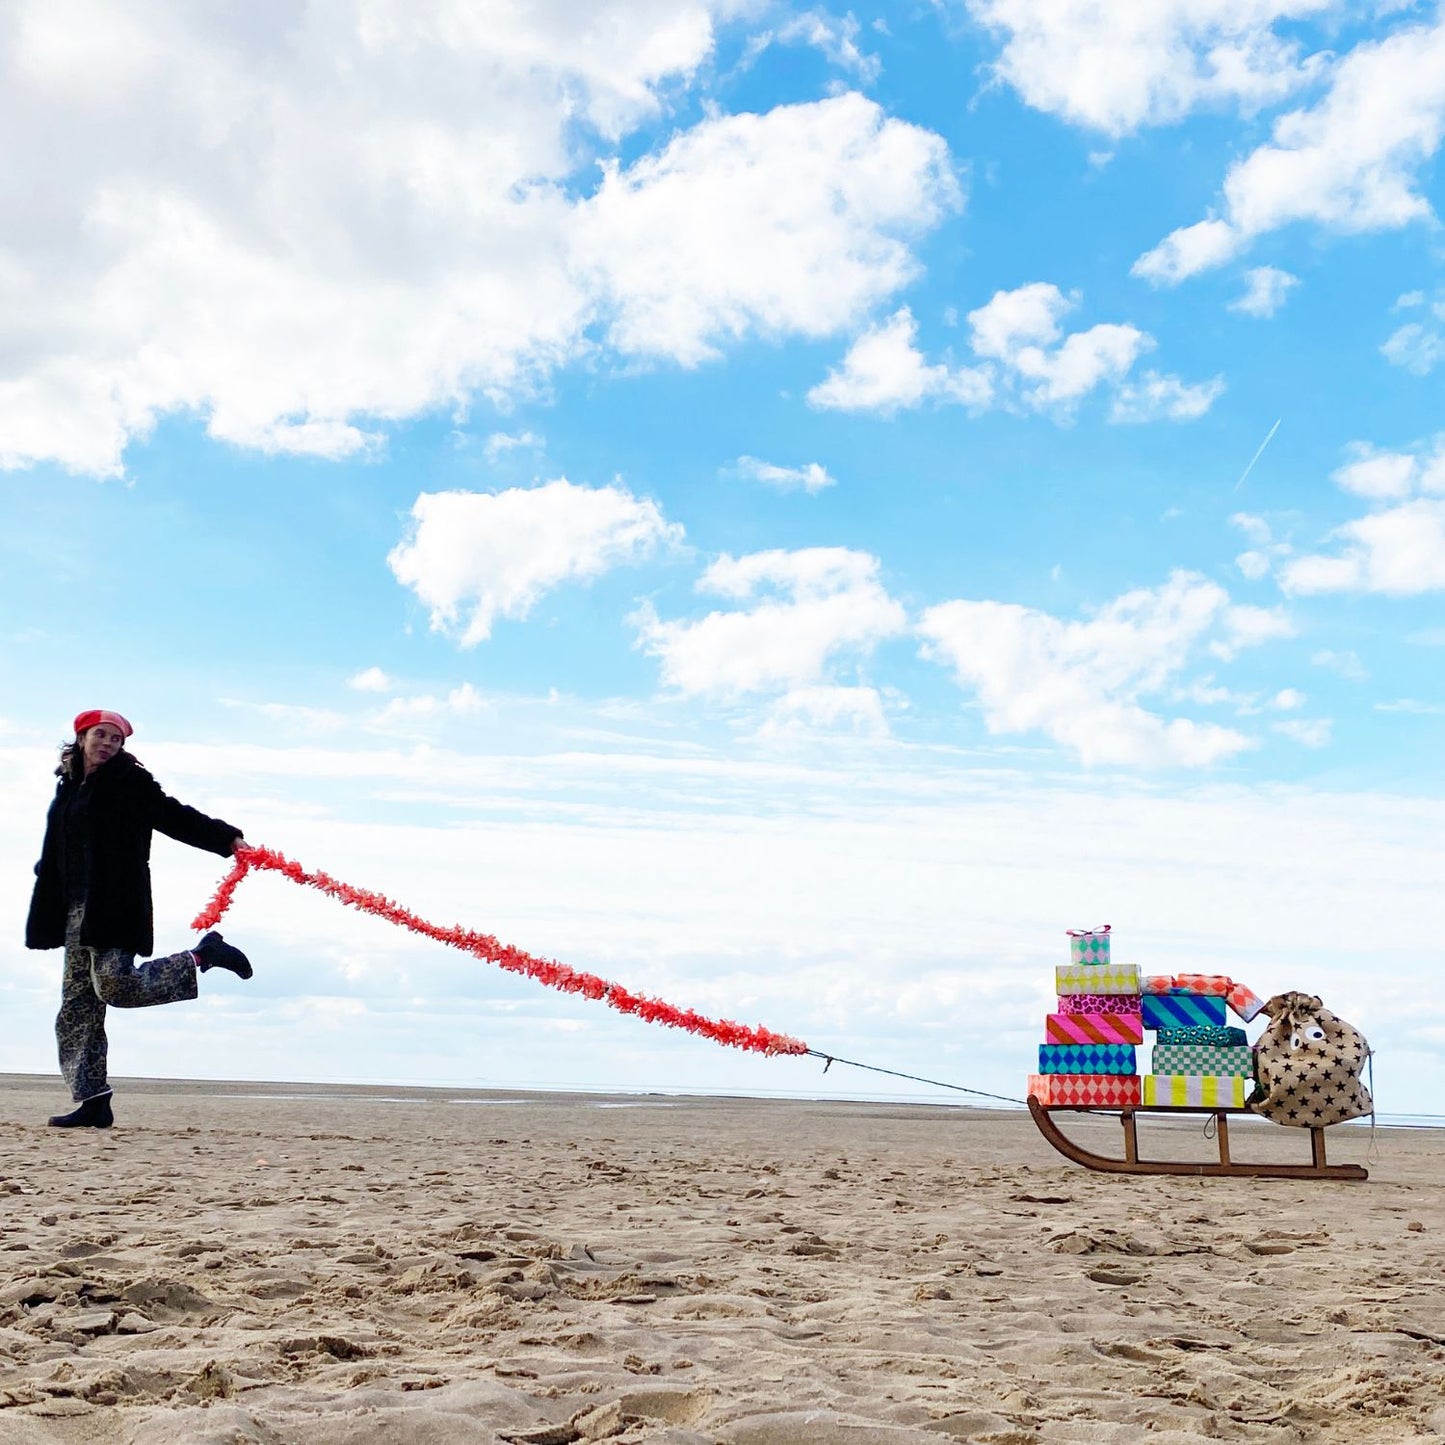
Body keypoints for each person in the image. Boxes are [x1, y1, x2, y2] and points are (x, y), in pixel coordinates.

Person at [25, 709, 255, 1129]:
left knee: (114, 984)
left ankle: (203, 956)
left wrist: (226, 839)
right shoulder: (69, 787)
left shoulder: (130, 783)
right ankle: (93, 1100)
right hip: (74, 909)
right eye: (102, 735)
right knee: (78, 1007)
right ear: (81, 737)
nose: (109, 743)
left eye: (117, 739)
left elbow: (173, 815)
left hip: (115, 903)